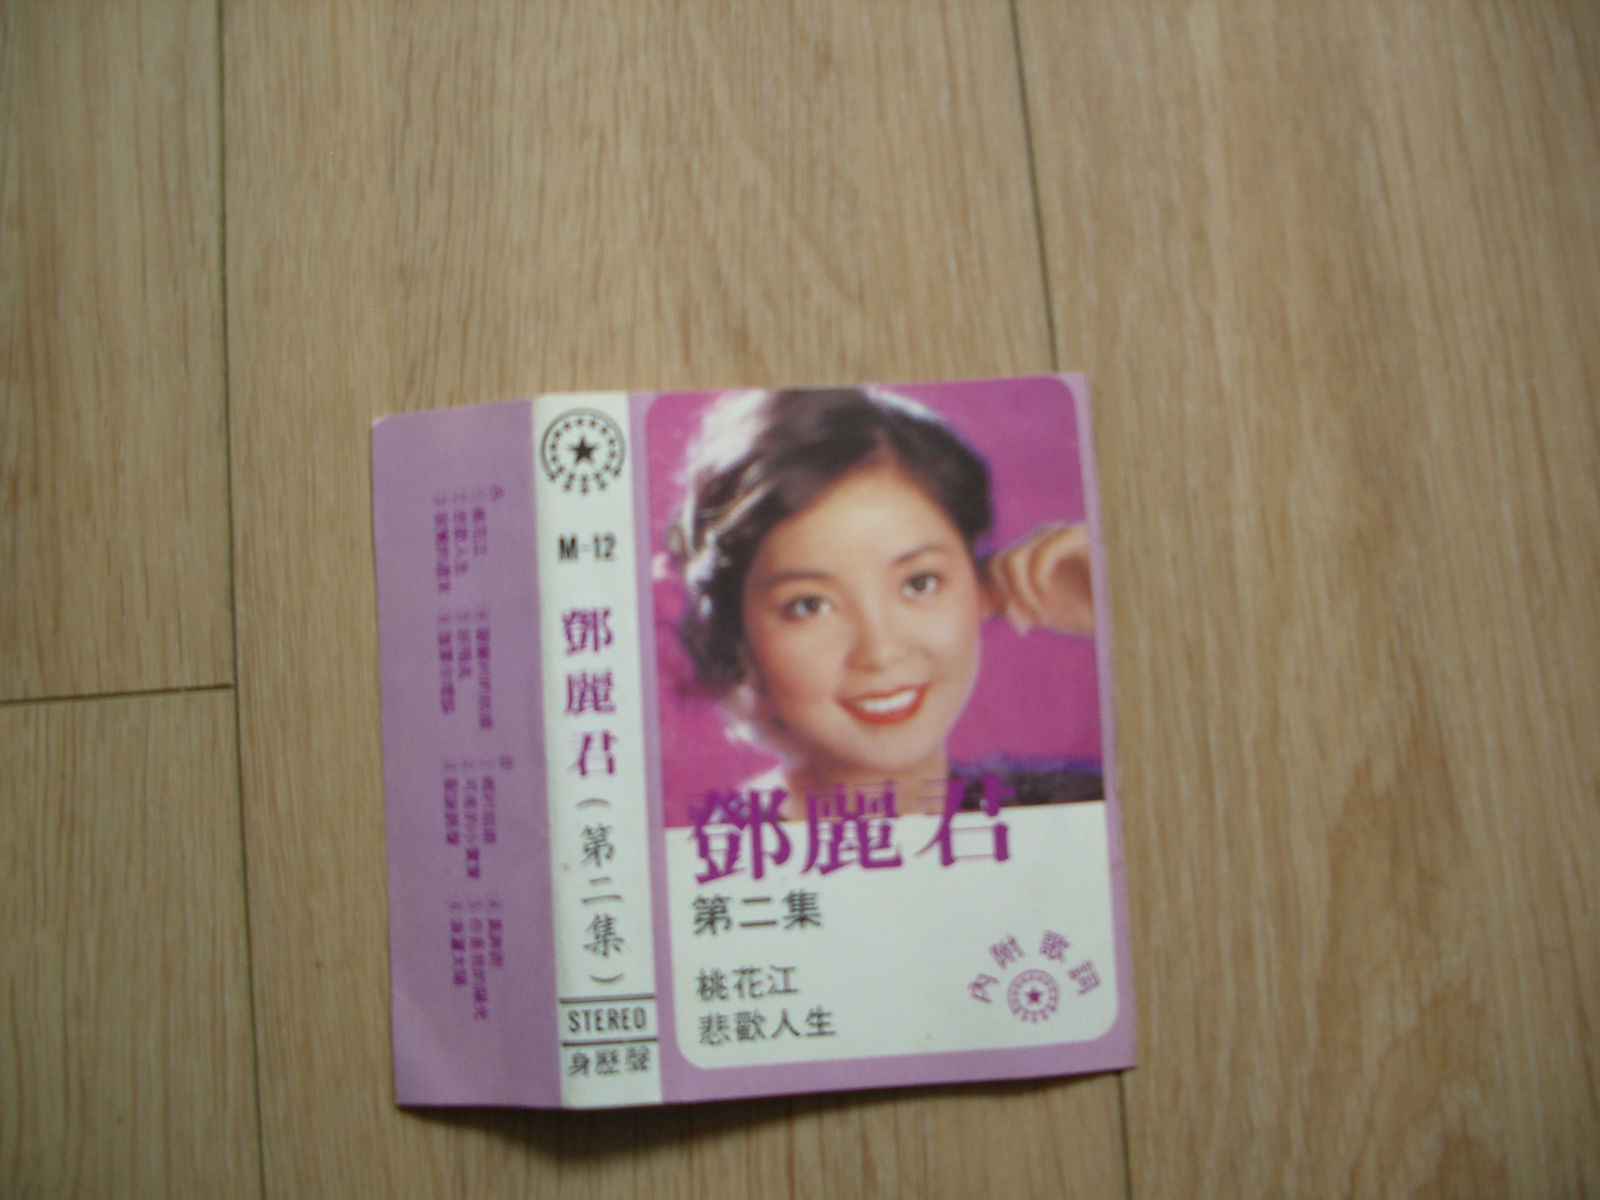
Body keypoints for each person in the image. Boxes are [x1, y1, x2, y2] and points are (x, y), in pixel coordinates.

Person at [667, 386, 1098, 815]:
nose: (881, 652)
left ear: (978, 584)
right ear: (737, 635)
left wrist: (1111, 609)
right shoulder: (714, 845)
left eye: (919, 583)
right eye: (810, 605)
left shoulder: (1074, 805)